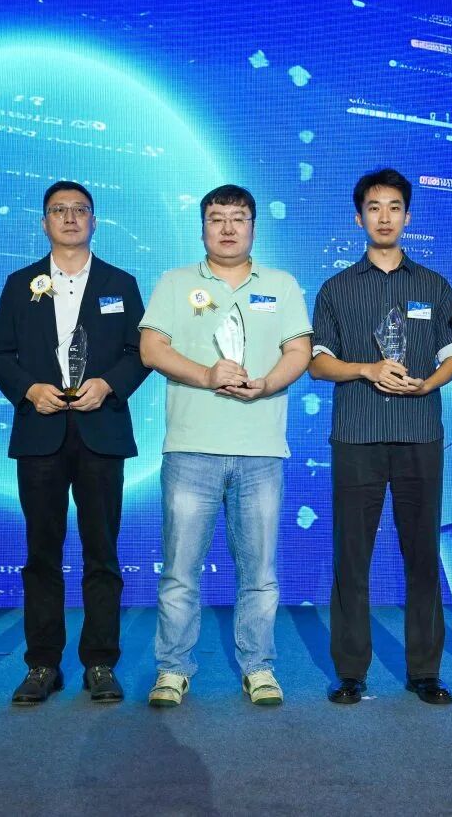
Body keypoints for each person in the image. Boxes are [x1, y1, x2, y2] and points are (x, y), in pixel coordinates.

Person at [138, 184, 311, 707]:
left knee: (259, 574)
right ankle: (173, 669)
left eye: (238, 218)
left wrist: (268, 384)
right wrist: (207, 375)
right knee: (179, 572)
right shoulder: (176, 282)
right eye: (217, 218)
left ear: (253, 226)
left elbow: (299, 350)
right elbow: (151, 348)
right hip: (191, 449)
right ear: (203, 228)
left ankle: (259, 667)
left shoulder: (281, 285)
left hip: (261, 450)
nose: (228, 228)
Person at [0, 181, 150, 705]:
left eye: (80, 210)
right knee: (42, 553)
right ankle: (42, 664)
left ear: (95, 221)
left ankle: (100, 662)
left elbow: (140, 352)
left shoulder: (120, 283)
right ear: (44, 223)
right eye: (60, 210)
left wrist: (110, 385)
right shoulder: (20, 284)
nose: (71, 218)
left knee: (102, 553)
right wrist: (29, 390)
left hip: (101, 432)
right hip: (41, 433)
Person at [309, 168, 452, 705]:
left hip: (420, 433)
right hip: (358, 435)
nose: (384, 217)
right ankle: (351, 671)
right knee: (352, 557)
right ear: (359, 218)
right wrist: (366, 369)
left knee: (422, 554)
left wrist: (429, 384)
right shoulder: (337, 288)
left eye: (394, 207)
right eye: (374, 208)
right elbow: (318, 363)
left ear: (408, 217)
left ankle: (426, 671)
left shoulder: (434, 286)